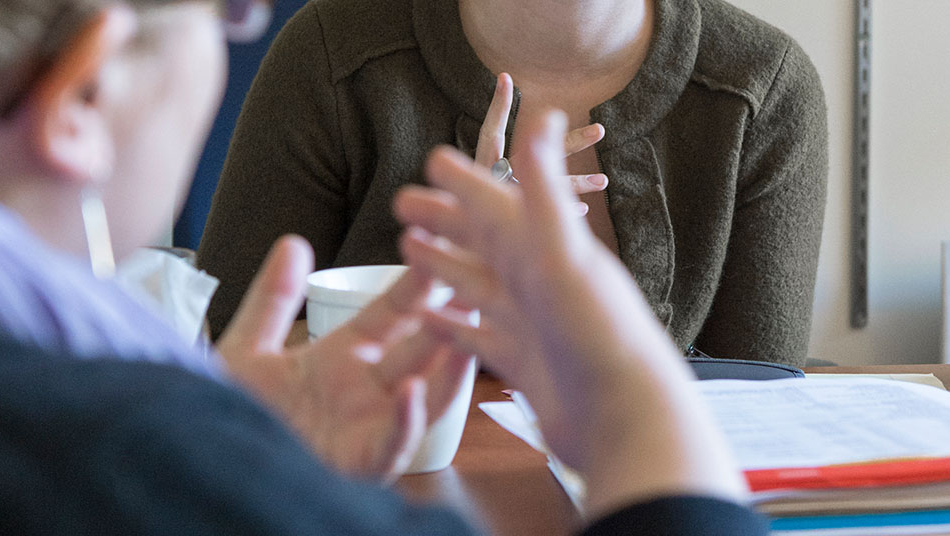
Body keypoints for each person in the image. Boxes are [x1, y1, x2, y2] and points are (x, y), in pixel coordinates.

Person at [0, 0, 819, 536]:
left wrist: (230, 453)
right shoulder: (129, 501)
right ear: (83, 93)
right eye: (223, 10)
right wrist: (642, 411)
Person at [197, 0, 828, 368]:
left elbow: (760, 398)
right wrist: (442, 280)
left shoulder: (762, 88)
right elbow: (232, 350)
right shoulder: (329, 54)